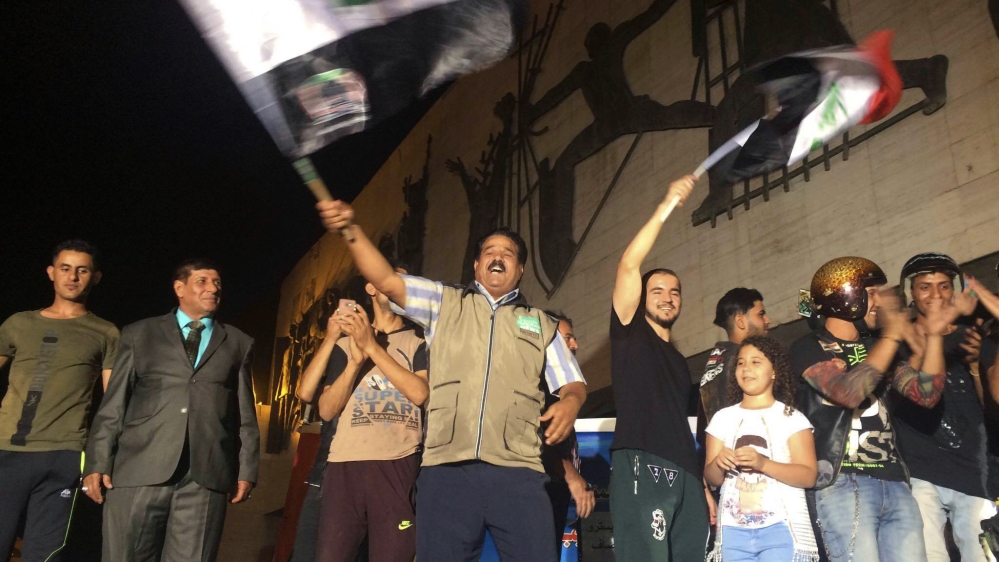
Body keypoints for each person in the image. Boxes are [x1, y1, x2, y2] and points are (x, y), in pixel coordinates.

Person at [316, 201, 586, 562]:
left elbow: (573, 383)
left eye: (508, 254)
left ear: (520, 269)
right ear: (476, 264)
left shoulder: (541, 324)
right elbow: (387, 282)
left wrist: (570, 402)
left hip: (519, 473)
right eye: (489, 251)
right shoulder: (446, 303)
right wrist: (351, 230)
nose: (497, 257)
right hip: (447, 472)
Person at [83, 259, 259, 562]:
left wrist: (247, 470)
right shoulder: (140, 333)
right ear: (179, 288)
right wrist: (97, 461)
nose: (213, 288)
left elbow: (245, 414)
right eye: (202, 281)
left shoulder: (238, 343)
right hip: (140, 468)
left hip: (205, 476)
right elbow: (113, 403)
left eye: (217, 283)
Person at [790, 256, 954, 562]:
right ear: (848, 296)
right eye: (874, 292)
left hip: (896, 483)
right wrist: (893, 334)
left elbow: (927, 393)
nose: (882, 301)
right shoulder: (807, 347)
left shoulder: (878, 346)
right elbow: (848, 392)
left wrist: (932, 334)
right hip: (842, 483)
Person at [608, 175, 709, 561]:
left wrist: (697, 483)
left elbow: (677, 424)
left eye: (675, 292)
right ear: (640, 298)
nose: (668, 298)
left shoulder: (680, 363)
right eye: (657, 291)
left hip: (684, 472)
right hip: (642, 461)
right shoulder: (629, 333)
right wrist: (667, 204)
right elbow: (629, 263)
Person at [0, 240, 119, 562]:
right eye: (65, 268)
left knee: (45, 553)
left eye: (82, 270)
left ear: (95, 277)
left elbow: (114, 402)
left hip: (64, 454)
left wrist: (99, 461)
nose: (73, 277)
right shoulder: (18, 323)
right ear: (51, 273)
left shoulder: (105, 332)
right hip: (7, 450)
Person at [314, 272, 428, 562]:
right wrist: (355, 362)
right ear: (371, 288)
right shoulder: (345, 344)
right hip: (344, 464)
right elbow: (326, 409)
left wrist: (372, 347)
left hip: (397, 462)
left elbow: (419, 393)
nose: (396, 288)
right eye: (390, 280)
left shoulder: (419, 340)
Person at [893, 253, 995, 562]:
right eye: (925, 287)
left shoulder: (971, 336)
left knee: (982, 555)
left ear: (955, 290)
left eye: (943, 286)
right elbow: (917, 392)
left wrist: (976, 364)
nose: (935, 295)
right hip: (921, 469)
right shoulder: (897, 340)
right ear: (911, 293)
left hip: (972, 467)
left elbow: (986, 401)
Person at [704, 336, 819, 562]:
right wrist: (719, 463)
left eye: (756, 362)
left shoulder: (792, 418)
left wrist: (763, 464)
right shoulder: (722, 418)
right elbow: (712, 478)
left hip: (782, 528)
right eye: (741, 363)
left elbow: (808, 476)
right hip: (732, 531)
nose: (746, 368)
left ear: (774, 371)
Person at [542, 311, 595, 557]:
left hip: (556, 493)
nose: (575, 345)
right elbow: (534, 437)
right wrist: (570, 474)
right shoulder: (535, 383)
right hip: (538, 492)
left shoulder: (561, 389)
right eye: (567, 338)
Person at [702, 288, 772, 424]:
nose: (768, 320)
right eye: (761, 314)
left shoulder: (718, 360)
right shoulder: (742, 361)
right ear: (740, 321)